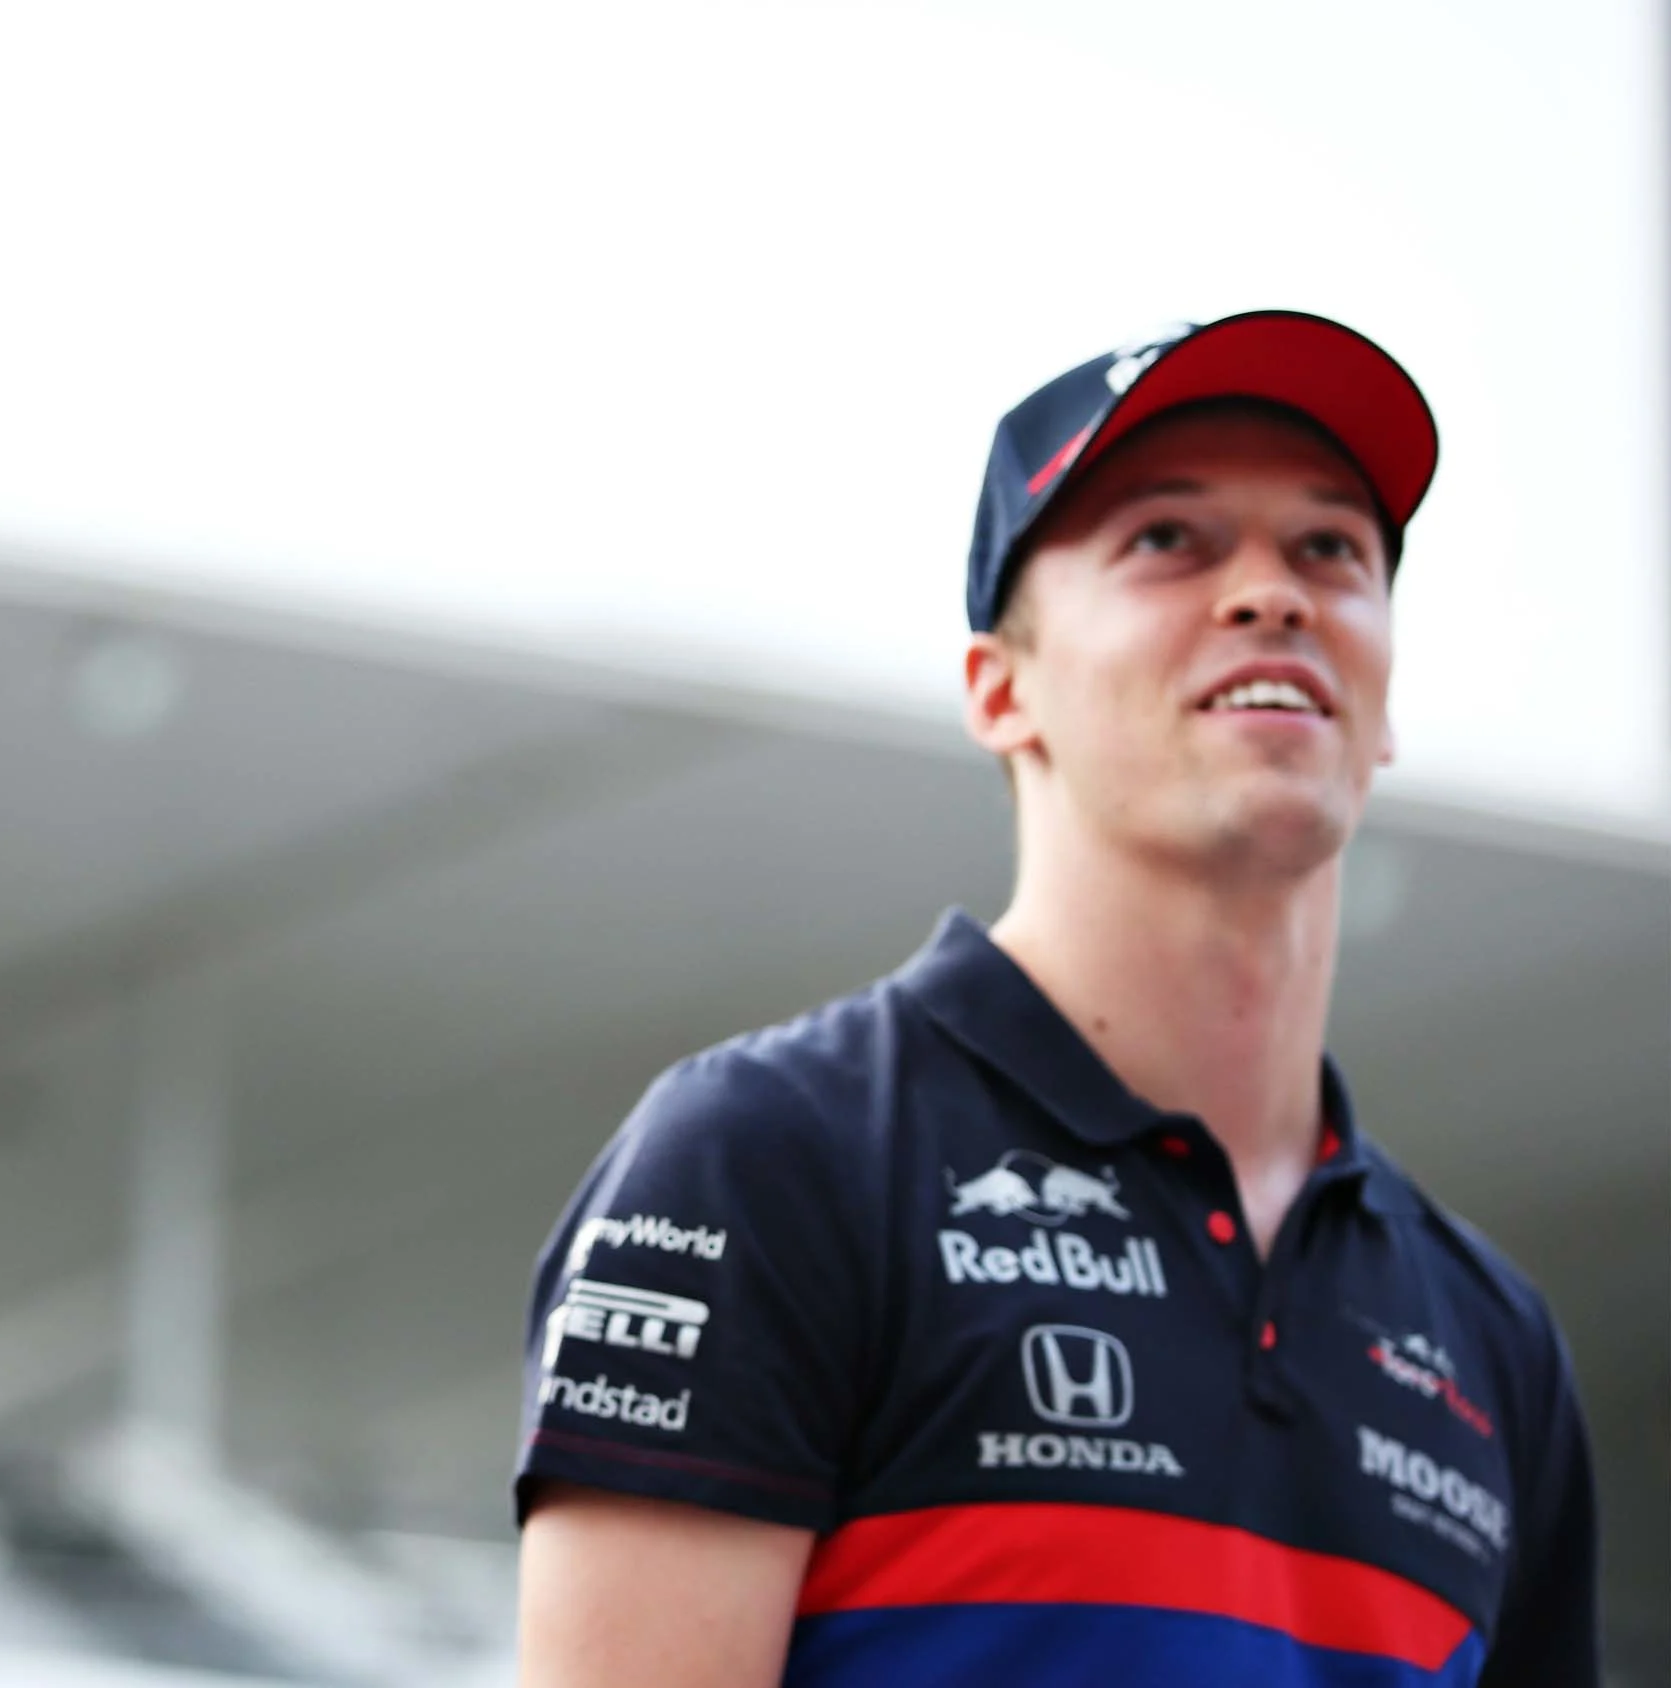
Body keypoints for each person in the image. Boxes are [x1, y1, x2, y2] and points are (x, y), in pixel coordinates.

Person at [513, 313, 1600, 1686]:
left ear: (1383, 709)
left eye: (1331, 547)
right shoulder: (764, 1159)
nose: (1272, 594)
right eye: (1170, 539)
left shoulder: (1491, 1338)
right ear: (999, 689)